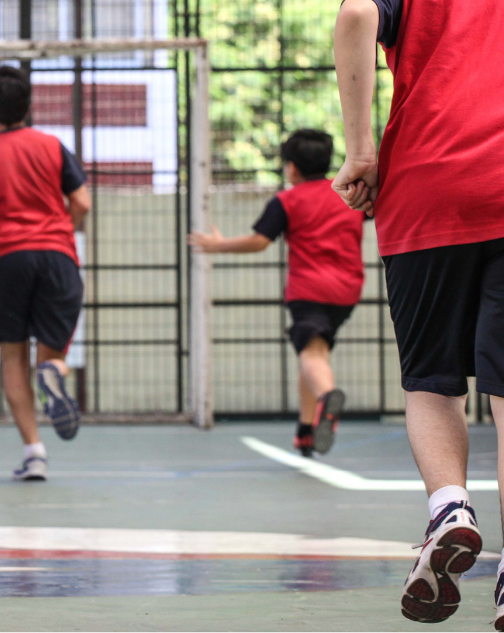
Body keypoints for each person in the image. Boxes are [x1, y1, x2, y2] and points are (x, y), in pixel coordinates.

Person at [333, 0, 502, 625]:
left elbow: (356, 14)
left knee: (431, 382)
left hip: (427, 186)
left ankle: (450, 509)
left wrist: (361, 151)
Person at [189, 130, 362, 458]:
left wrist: (217, 245)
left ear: (292, 167)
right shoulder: (347, 194)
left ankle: (327, 397)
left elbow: (259, 241)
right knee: (314, 352)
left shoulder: (287, 200)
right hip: (348, 290)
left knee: (311, 354)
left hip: (308, 289)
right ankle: (306, 430)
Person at [0, 66, 90, 482]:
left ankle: (34, 453)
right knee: (51, 356)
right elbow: (83, 203)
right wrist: (61, 230)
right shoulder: (53, 146)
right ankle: (53, 374)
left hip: (5, 261)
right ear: (28, 104)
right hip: (57, 257)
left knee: (12, 356)